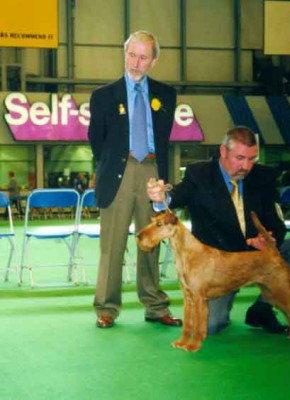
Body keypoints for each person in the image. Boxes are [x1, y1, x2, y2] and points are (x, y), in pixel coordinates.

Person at [147, 126, 290, 335]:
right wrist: (161, 198)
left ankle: (264, 306)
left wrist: (269, 239)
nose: (246, 166)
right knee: (211, 325)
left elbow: (275, 221)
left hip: (259, 257)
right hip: (219, 266)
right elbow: (177, 196)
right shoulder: (199, 173)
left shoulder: (263, 176)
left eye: (251, 159)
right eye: (239, 158)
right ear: (223, 151)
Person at [88, 30, 181, 328]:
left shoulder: (167, 94)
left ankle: (155, 305)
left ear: (154, 61)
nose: (135, 62)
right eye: (131, 54)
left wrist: (161, 177)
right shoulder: (103, 96)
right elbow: (96, 141)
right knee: (112, 246)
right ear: (124, 53)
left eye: (143, 57)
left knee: (152, 242)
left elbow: (165, 139)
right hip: (120, 171)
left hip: (153, 174)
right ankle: (106, 308)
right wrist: (117, 163)